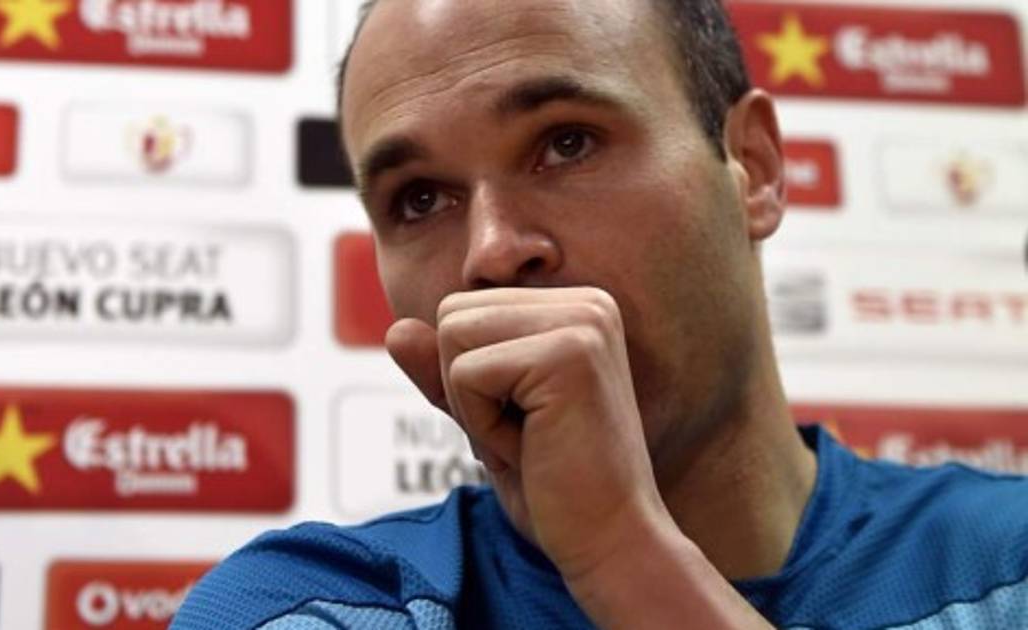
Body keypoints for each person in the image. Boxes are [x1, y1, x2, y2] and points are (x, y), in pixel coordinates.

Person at [171, 0, 1028, 627]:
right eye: (420, 197)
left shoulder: (1006, 564)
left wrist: (626, 558)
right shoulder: (321, 605)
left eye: (566, 143)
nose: (491, 253)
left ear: (755, 167)